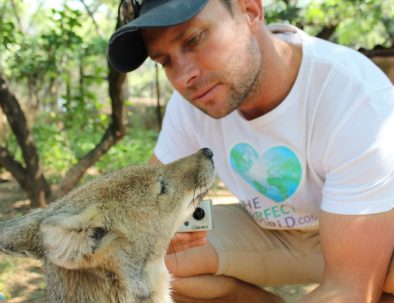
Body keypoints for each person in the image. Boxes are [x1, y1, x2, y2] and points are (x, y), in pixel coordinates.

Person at [108, 0, 394, 302]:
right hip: (268, 230)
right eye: (165, 61)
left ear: (250, 11)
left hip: (369, 234)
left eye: (194, 40)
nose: (182, 78)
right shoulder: (191, 105)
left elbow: (349, 289)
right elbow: (152, 205)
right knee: (135, 261)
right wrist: (162, 227)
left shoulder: (354, 98)